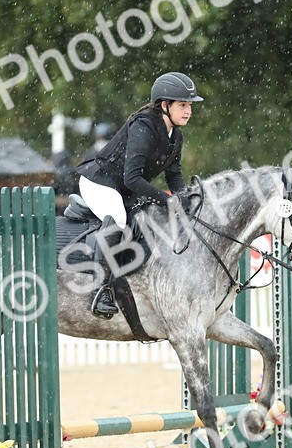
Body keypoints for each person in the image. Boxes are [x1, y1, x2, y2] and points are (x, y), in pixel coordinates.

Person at [76, 72, 202, 318]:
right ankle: (99, 290)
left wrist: (184, 198)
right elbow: (131, 178)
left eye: (189, 105)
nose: (188, 110)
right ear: (165, 105)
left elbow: (173, 175)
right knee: (118, 219)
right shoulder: (143, 127)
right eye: (183, 105)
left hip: (124, 188)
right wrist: (168, 201)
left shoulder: (175, 135)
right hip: (99, 182)